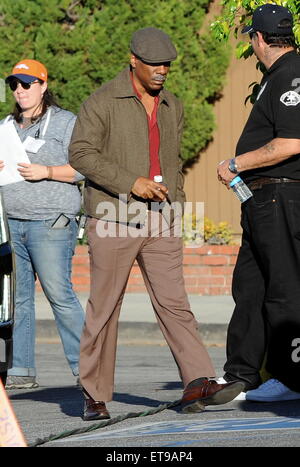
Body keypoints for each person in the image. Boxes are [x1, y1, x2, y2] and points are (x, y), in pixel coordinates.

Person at [69, 27, 244, 421]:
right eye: (154, 64)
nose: (162, 70)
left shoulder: (172, 105)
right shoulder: (101, 101)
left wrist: (176, 206)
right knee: (105, 306)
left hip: (161, 216)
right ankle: (94, 393)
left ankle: (198, 381)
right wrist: (131, 183)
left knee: (174, 303)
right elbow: (80, 152)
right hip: (115, 212)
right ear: (133, 61)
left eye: (167, 64)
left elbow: (175, 162)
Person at [217, 4, 300, 402]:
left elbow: (290, 143)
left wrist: (235, 163)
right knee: (250, 287)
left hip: (282, 195)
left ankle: (289, 375)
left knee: (284, 287)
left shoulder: (292, 74)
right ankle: (241, 375)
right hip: (261, 199)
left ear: (260, 38)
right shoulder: (276, 76)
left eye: (252, 36)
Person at [0, 59, 85, 389]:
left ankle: (86, 369)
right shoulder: (6, 126)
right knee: (18, 299)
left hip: (51, 221)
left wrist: (46, 172)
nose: (20, 90)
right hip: (11, 223)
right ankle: (20, 370)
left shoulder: (65, 122)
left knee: (59, 295)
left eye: (27, 83)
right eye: (15, 85)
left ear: (43, 86)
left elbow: (85, 168)